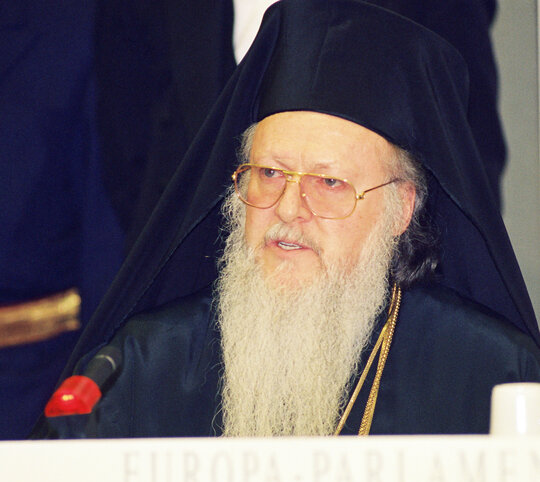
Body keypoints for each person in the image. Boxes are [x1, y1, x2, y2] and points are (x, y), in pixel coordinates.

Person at [40, 0, 539, 438]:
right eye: (270, 173)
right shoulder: (140, 367)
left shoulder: (490, 374)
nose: (287, 209)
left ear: (401, 209)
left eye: (329, 182)